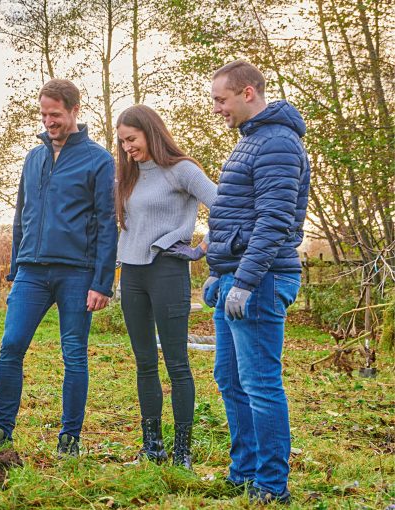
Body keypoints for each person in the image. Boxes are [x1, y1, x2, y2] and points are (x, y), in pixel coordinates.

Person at [0, 79, 117, 458]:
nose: (49, 121)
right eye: (44, 114)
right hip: (30, 270)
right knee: (11, 347)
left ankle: (70, 438)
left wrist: (102, 283)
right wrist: (15, 268)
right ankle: (1, 432)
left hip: (77, 273)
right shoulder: (34, 158)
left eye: (56, 114)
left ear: (75, 111)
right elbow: (20, 216)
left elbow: (107, 224)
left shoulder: (99, 160)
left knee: (74, 352)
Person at [203, 60, 310, 504]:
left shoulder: (279, 144)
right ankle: (243, 473)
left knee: (261, 384)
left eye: (221, 100)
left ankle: (271, 485)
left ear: (248, 93)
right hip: (237, 277)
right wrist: (216, 271)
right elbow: (235, 215)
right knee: (229, 378)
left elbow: (274, 221)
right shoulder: (253, 141)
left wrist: (244, 281)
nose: (216, 109)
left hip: (261, 280)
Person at [115, 105, 217, 469]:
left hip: (168, 272)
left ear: (151, 132)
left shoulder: (182, 170)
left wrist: (201, 248)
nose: (127, 147)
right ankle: (152, 447)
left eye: (132, 139)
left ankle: (183, 453)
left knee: (177, 363)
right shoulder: (128, 176)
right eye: (122, 141)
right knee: (144, 362)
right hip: (132, 274)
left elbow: (223, 206)